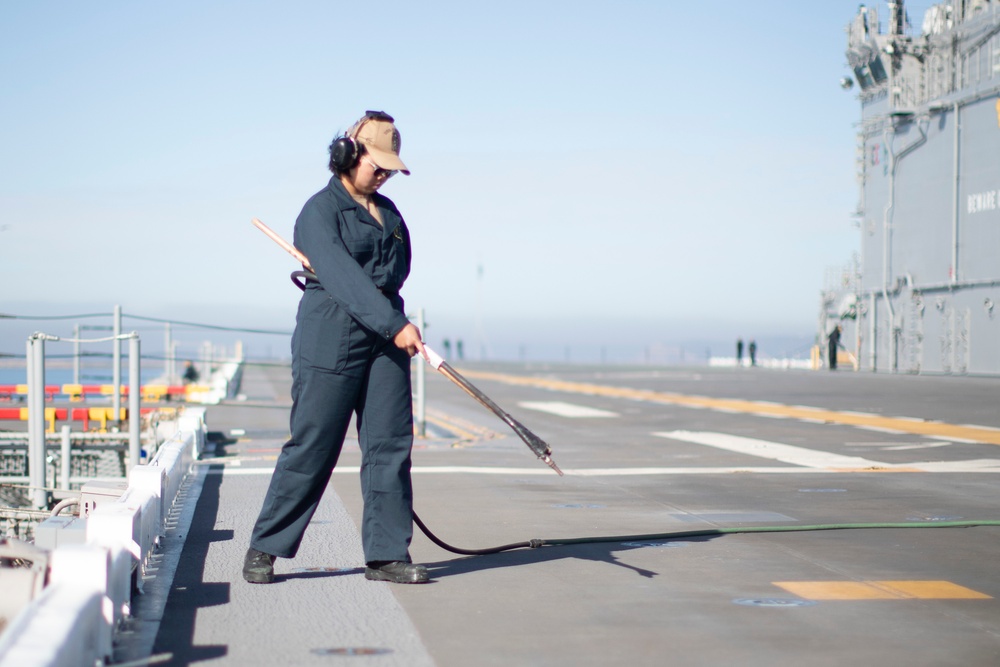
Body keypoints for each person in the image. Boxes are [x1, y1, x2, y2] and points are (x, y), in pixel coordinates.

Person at [243, 110, 429, 585]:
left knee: (389, 448)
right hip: (331, 339)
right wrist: (394, 323)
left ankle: (387, 555)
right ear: (349, 153)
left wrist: (393, 324)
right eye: (376, 162)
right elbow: (344, 280)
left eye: (391, 166)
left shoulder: (389, 214)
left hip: (383, 343)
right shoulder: (318, 212)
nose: (384, 173)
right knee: (313, 445)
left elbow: (396, 273)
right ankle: (266, 546)